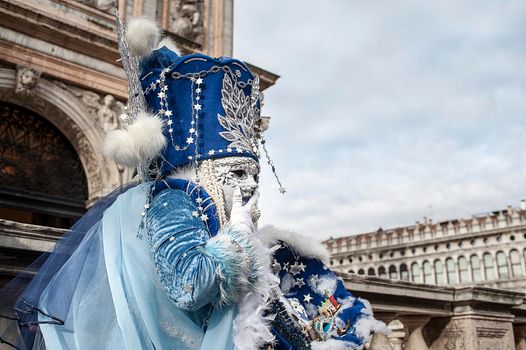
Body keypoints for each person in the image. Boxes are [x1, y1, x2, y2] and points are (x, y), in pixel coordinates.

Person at [0, 16, 386, 350]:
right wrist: (236, 233)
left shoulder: (213, 206)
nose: (249, 185)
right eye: (237, 173)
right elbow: (189, 283)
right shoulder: (173, 199)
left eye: (253, 174)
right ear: (204, 172)